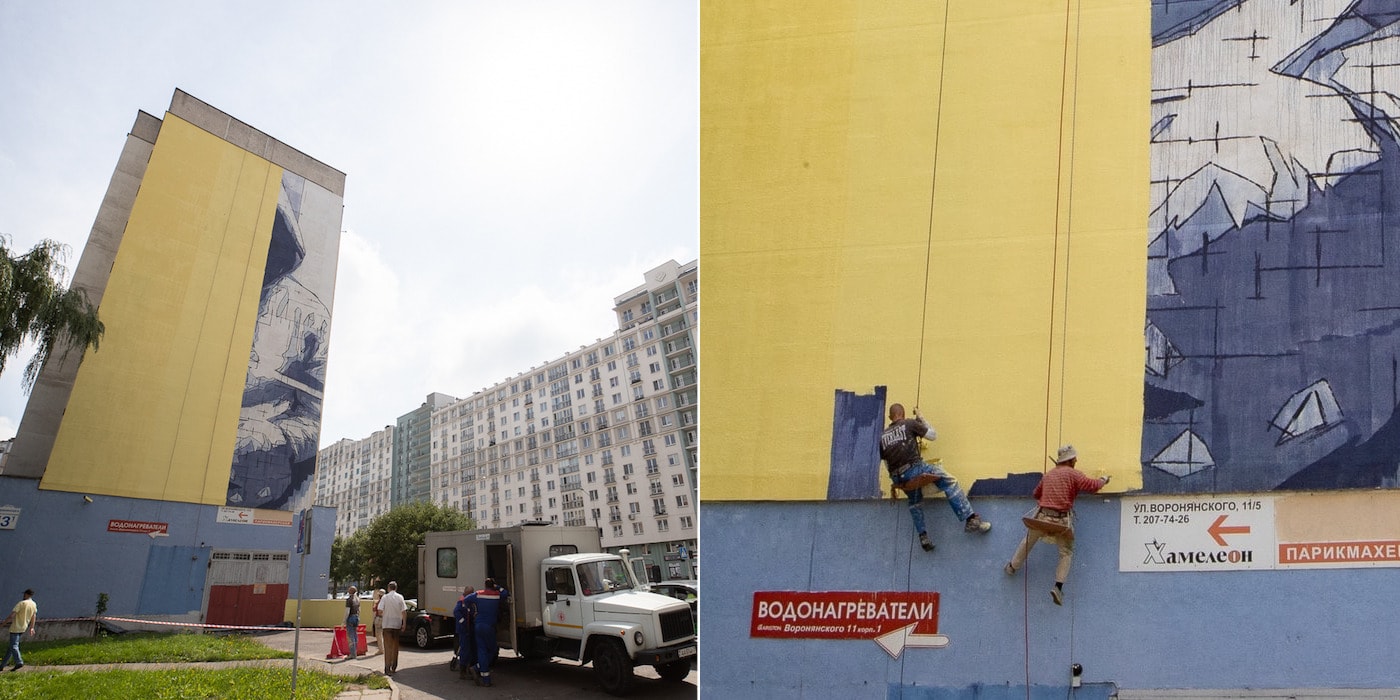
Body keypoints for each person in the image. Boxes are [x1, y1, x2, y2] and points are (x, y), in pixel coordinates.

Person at [1004, 444, 1110, 606]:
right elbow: (1092, 486)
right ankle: (1058, 586)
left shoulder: (1048, 476)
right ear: (1070, 460)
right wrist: (1103, 480)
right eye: (1074, 458)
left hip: (1042, 518)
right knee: (1066, 553)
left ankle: (1012, 566)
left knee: (1027, 542)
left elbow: (1036, 494)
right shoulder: (1074, 474)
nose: (1076, 460)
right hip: (1061, 522)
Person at [879, 403, 991, 552]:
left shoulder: (883, 437)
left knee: (914, 501)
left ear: (890, 417)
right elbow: (933, 435)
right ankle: (971, 519)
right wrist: (921, 418)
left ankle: (923, 536)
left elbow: (886, 464)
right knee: (950, 481)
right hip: (915, 469)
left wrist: (898, 480)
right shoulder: (909, 424)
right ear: (903, 414)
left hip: (899, 479)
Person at [463, 577, 510, 687]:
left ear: (485, 585)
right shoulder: (496, 595)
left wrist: (472, 611)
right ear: (493, 585)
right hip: (489, 627)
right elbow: (506, 593)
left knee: (482, 650)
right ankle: (477, 668)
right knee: (492, 650)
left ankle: (486, 679)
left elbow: (466, 600)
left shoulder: (478, 594)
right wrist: (497, 587)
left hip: (478, 625)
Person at [0, 589, 37, 671]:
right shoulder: (33, 604)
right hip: (23, 627)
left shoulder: (21, 603)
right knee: (10, 647)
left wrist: (2, 625)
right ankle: (2, 665)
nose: (23, 596)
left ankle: (19, 662)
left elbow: (11, 616)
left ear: (26, 594)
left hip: (16, 627)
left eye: (24, 594)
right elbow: (33, 616)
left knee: (14, 646)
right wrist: (32, 627)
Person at [376, 581, 407, 676]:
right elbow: (404, 611)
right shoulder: (400, 597)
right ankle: (394, 667)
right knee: (395, 647)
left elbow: (380, 610)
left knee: (387, 647)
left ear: (389, 588)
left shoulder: (385, 597)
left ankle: (387, 667)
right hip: (397, 625)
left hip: (387, 625)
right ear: (396, 588)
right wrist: (404, 624)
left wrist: (385, 614)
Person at [453, 586, 476, 680]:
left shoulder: (469, 602)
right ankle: (463, 671)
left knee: (470, 649)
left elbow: (469, 613)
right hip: (463, 629)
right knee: (465, 649)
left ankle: (467, 668)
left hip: (468, 628)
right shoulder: (462, 602)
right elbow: (456, 612)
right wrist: (463, 622)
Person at [343, 585, 360, 661]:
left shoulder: (349, 600)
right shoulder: (358, 599)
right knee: (355, 635)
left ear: (350, 591)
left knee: (350, 636)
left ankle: (352, 654)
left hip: (350, 618)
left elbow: (347, 611)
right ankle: (355, 652)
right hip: (356, 617)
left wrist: (343, 621)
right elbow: (359, 610)